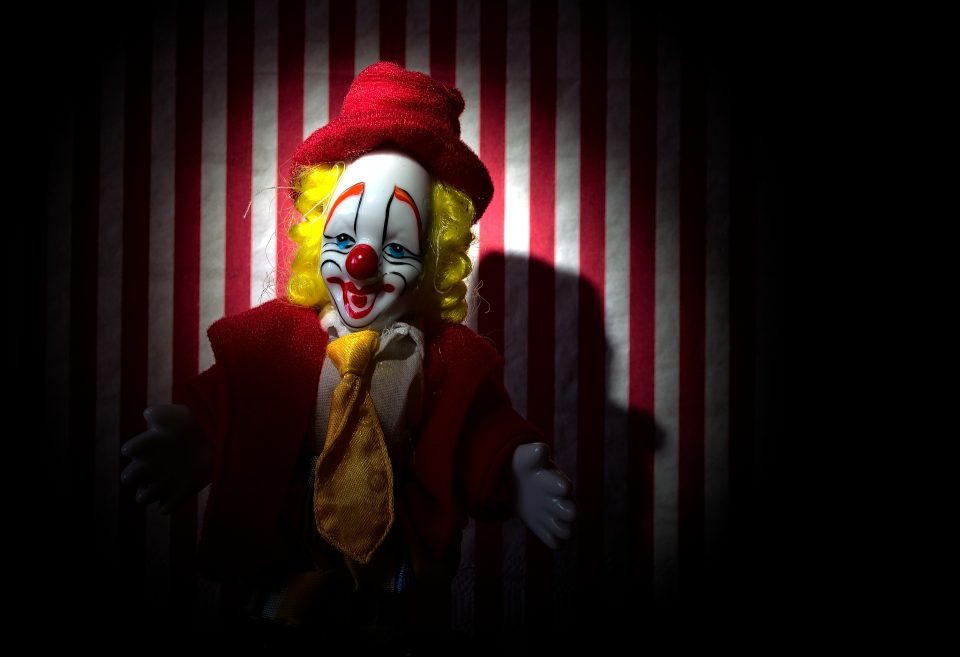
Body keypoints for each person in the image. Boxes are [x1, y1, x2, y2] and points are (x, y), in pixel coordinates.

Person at [121, 61, 575, 649]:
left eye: (396, 247)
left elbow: (479, 431)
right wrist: (195, 435)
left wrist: (515, 470)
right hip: (290, 564)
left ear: (435, 258)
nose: (361, 262)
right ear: (317, 237)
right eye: (342, 238)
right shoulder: (273, 347)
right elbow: (232, 405)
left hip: (395, 580)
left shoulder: (447, 362)